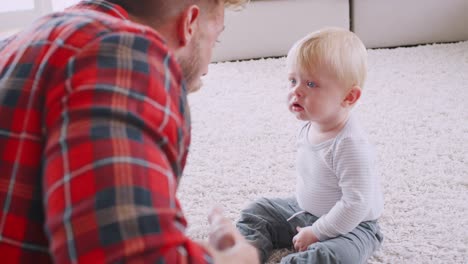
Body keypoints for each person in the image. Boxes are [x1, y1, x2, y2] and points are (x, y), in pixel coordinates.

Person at [0, 0, 258, 263]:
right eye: (216, 40)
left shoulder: (15, 44)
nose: (206, 68)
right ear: (189, 24)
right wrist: (232, 260)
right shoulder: (122, 51)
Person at [236, 27, 384, 263]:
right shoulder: (313, 122)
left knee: (331, 256)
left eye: (311, 84)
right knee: (257, 212)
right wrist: (311, 226)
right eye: (293, 80)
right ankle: (245, 255)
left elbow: (356, 203)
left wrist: (317, 232)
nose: (296, 90)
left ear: (349, 97)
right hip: (306, 212)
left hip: (354, 225)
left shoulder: (350, 145)